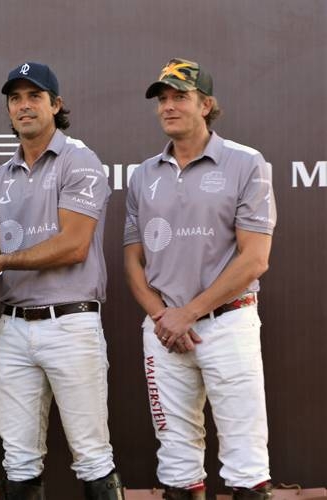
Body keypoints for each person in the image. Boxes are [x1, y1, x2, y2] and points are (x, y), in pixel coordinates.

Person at [0, 62, 123, 500]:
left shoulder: (80, 160)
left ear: (56, 104)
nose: (24, 106)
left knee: (92, 457)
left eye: (34, 96)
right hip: (12, 327)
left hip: (71, 322)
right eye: (15, 98)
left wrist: (3, 260)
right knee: (18, 460)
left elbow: (73, 246)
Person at [123, 58, 276, 500]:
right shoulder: (143, 174)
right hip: (164, 331)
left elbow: (255, 260)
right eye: (162, 99)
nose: (168, 107)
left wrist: (188, 313)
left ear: (206, 104)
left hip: (228, 325)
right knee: (175, 463)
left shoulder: (246, 162)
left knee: (246, 461)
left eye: (180, 97)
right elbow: (133, 260)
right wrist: (163, 317)